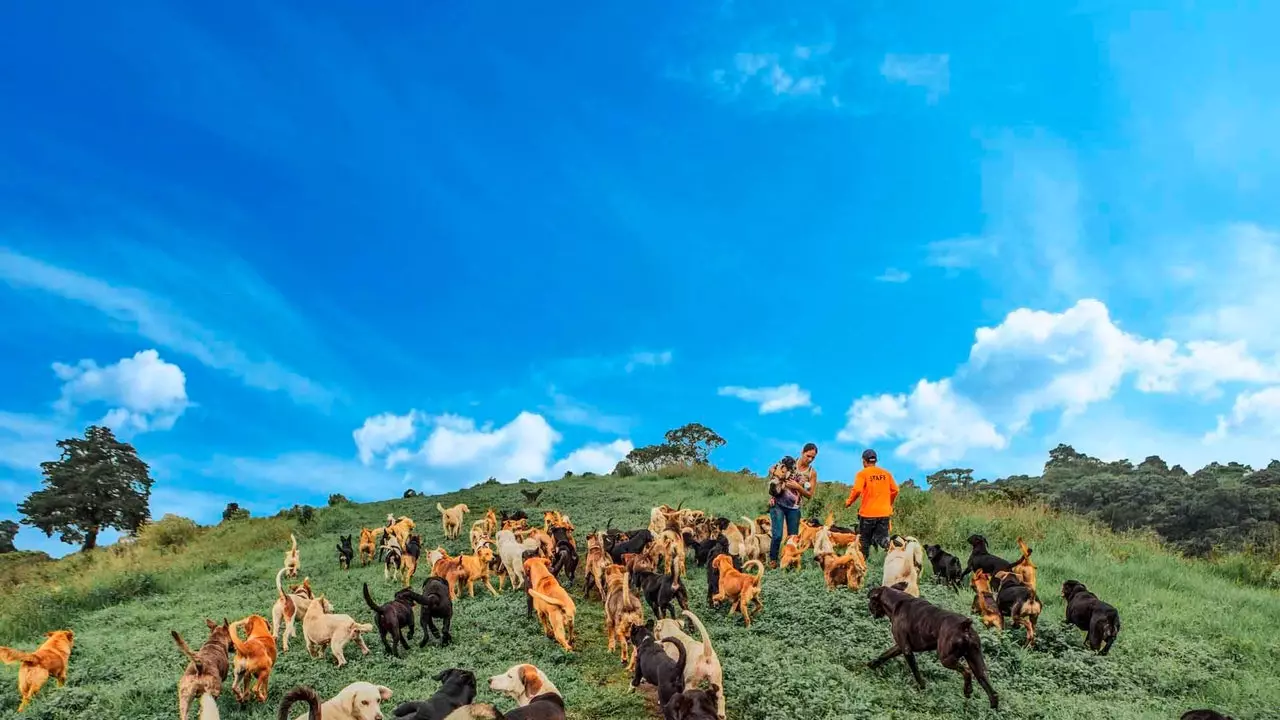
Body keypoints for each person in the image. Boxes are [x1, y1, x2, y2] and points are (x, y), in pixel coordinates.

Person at [768, 443, 819, 567]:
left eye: (813, 457)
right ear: (802, 452)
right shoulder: (789, 462)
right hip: (778, 503)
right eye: (808, 456)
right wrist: (772, 495)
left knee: (793, 538)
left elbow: (809, 494)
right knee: (777, 535)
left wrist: (798, 487)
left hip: (794, 508)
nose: (810, 459)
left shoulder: (812, 473)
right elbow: (772, 471)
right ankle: (773, 561)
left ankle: (791, 562)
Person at [844, 448, 898, 558]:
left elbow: (857, 490)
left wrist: (849, 502)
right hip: (884, 513)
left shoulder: (862, 473)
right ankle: (896, 552)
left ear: (864, 461)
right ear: (875, 461)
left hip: (867, 514)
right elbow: (895, 490)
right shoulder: (886, 473)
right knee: (883, 540)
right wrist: (888, 504)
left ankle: (863, 564)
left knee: (864, 542)